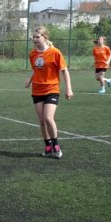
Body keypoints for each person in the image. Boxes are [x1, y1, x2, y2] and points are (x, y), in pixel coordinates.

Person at [25, 26, 74, 159]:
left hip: (52, 89)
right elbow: (35, 69)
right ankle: (48, 146)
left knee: (48, 118)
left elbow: (64, 70)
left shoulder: (55, 52)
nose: (35, 39)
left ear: (45, 37)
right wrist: (29, 79)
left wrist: (68, 88)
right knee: (42, 121)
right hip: (37, 89)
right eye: (33, 37)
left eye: (37, 37)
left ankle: (56, 145)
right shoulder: (32, 54)